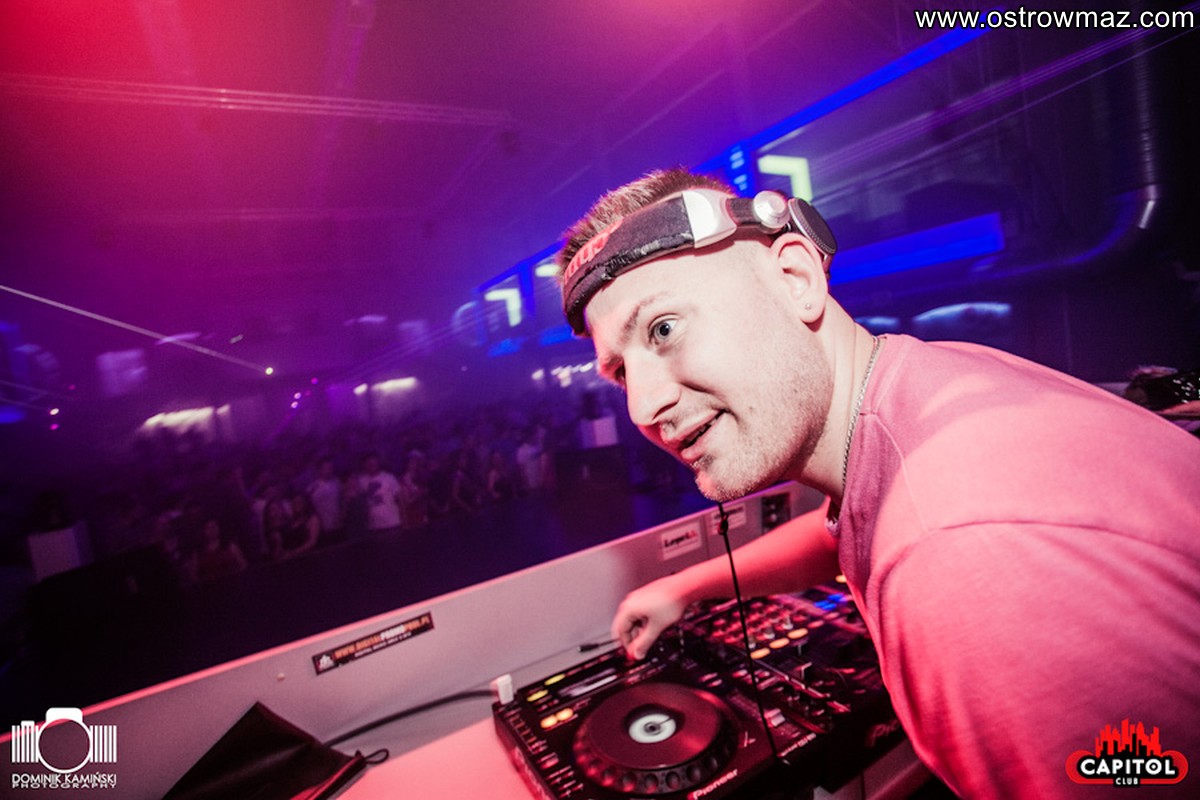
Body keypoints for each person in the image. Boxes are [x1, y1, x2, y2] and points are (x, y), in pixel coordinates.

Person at [558, 168, 1200, 799]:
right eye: (621, 372)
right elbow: (849, 526)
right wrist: (683, 587)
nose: (643, 408)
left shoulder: (961, 562)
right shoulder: (920, 392)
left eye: (664, 329)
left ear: (796, 280)